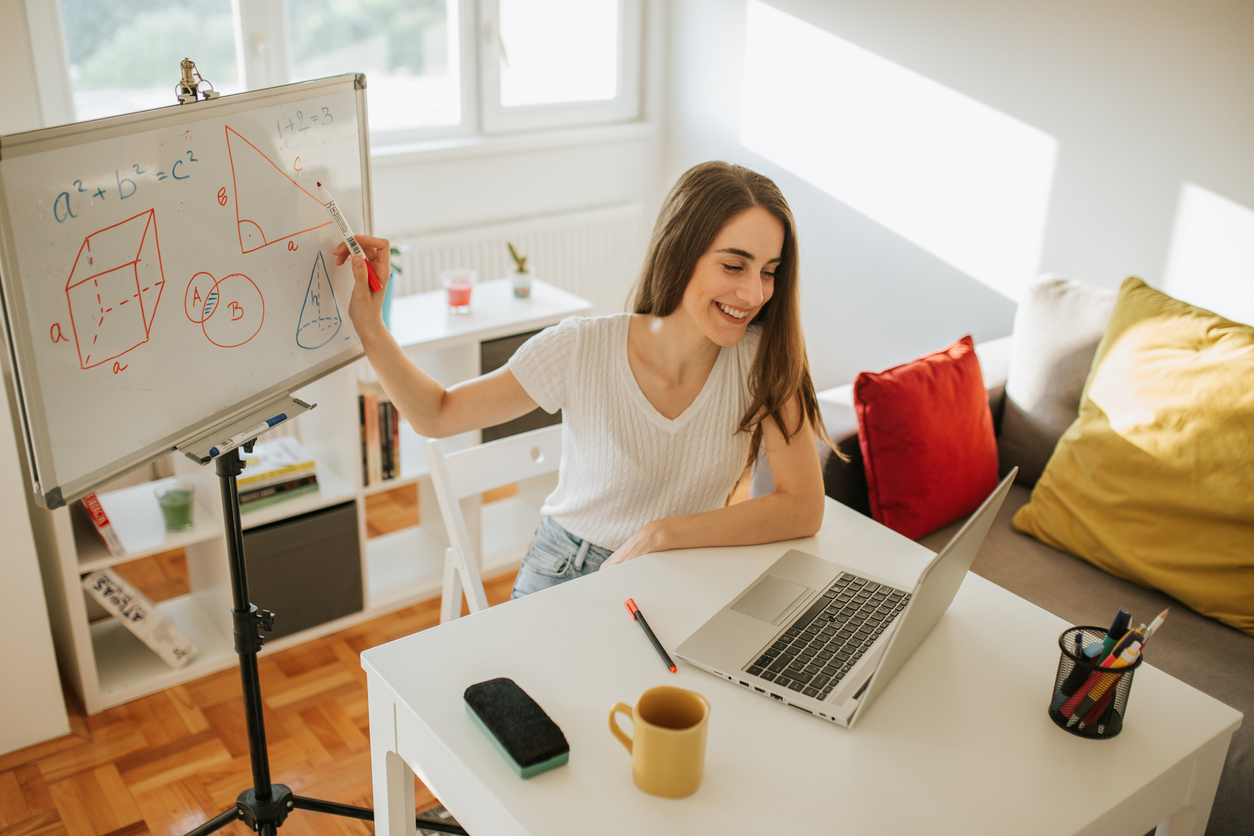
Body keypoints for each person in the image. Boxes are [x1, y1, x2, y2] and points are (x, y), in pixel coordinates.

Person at [338, 161, 830, 599]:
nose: (753, 292)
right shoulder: (581, 347)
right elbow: (437, 414)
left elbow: (803, 507)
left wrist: (664, 534)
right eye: (733, 265)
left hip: (680, 566)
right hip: (567, 571)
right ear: (682, 251)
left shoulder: (764, 361)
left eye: (769, 271)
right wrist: (370, 325)